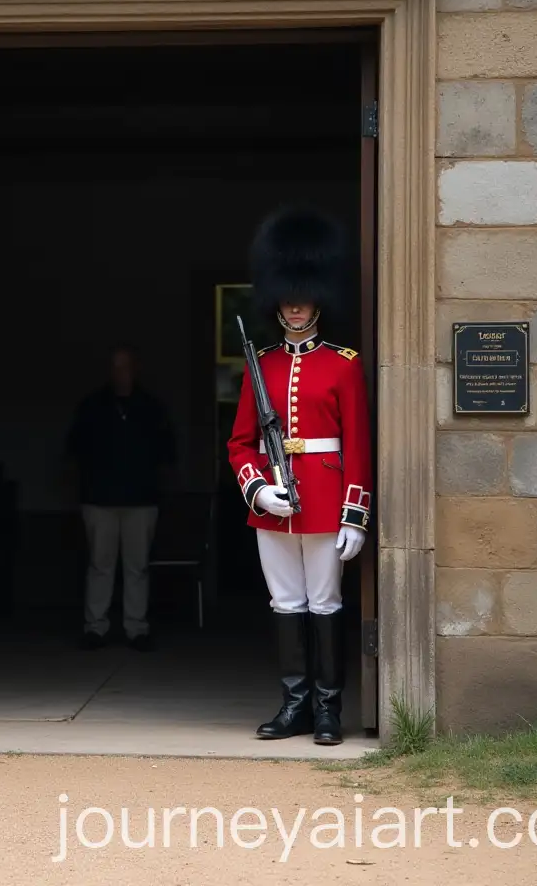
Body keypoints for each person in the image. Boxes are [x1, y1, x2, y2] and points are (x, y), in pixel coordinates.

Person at [227, 206, 372, 746]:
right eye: (287, 296)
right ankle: (295, 706)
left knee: (325, 604)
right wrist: (259, 489)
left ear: (317, 297)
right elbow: (240, 442)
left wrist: (355, 514)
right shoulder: (260, 363)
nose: (294, 305)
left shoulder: (343, 363)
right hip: (275, 505)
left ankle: (329, 709)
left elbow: (357, 442)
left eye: (303, 295)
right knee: (285, 604)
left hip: (328, 500)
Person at [65, 346, 176, 652]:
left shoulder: (151, 407)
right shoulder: (92, 406)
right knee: (100, 566)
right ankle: (95, 628)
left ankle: (136, 629)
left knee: (137, 567)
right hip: (98, 501)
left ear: (135, 369)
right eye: (115, 367)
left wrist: (161, 495)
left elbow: (167, 455)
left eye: (125, 367)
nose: (120, 373)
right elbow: (73, 453)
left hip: (141, 501)